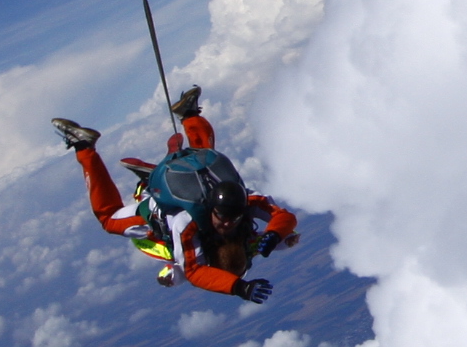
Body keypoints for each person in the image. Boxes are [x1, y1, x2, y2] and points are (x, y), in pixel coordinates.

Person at [53, 89, 299, 302]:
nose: (227, 223)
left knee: (203, 156)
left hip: (168, 211)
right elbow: (283, 216)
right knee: (109, 218)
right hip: (167, 206)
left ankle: (189, 115)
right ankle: (84, 148)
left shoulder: (201, 220)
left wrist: (240, 286)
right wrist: (275, 234)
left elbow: (191, 271)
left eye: (230, 221)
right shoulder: (241, 203)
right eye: (225, 218)